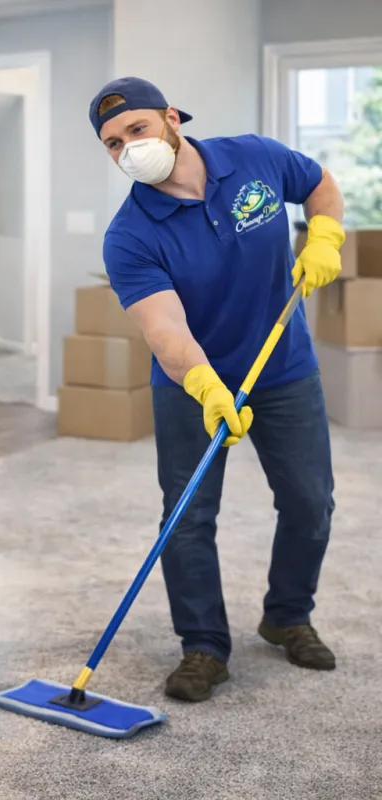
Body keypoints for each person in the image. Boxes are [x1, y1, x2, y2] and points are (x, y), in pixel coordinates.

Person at [91, 77, 343, 702]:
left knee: (311, 503)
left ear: (172, 118)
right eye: (113, 144)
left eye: (138, 130)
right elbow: (165, 329)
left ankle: (287, 613)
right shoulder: (129, 235)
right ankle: (203, 645)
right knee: (187, 518)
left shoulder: (254, 157)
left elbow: (318, 185)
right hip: (190, 385)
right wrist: (204, 385)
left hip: (283, 366)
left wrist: (325, 235)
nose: (129, 149)